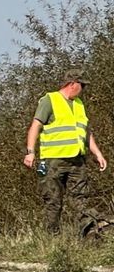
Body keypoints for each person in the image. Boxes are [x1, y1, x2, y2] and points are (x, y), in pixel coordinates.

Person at [24, 68, 113, 238]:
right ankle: (52, 240)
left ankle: (90, 236)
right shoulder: (50, 100)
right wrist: (30, 152)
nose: (84, 90)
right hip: (53, 161)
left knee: (81, 199)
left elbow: (85, 132)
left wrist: (98, 153)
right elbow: (35, 126)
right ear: (72, 84)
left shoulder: (79, 104)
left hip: (77, 161)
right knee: (53, 201)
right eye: (82, 85)